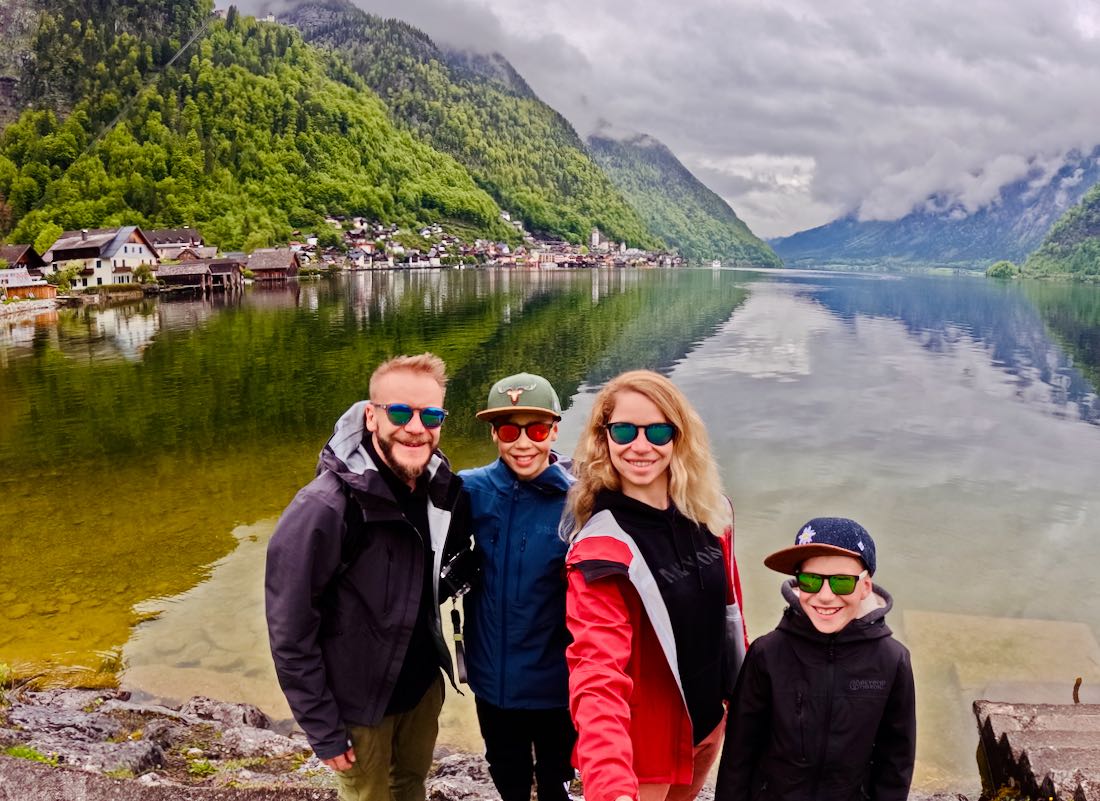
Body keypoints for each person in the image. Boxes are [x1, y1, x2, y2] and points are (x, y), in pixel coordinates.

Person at [265, 353, 476, 801]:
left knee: (411, 786)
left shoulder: (438, 487)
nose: (416, 428)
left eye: (431, 414)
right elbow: (290, 630)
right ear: (371, 415)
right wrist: (322, 725)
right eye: (400, 412)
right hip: (360, 705)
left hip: (420, 688)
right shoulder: (324, 508)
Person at [562, 369, 748, 801]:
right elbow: (596, 674)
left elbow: (730, 614)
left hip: (706, 727)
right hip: (643, 749)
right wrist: (609, 784)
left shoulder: (712, 515)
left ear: (679, 438)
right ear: (603, 437)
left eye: (658, 431)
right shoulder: (601, 551)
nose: (640, 446)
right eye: (624, 430)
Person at [714, 517, 916, 801]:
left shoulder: (893, 661)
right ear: (798, 584)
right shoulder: (766, 653)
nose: (825, 596)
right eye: (811, 581)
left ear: (866, 586)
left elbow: (896, 760)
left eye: (842, 583)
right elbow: (738, 754)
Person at [459, 372, 578, 801]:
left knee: (556, 781)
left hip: (557, 684)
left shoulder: (580, 502)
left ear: (555, 430)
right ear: (494, 434)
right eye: (510, 430)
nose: (523, 443)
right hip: (492, 680)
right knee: (506, 774)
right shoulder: (469, 489)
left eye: (537, 429)